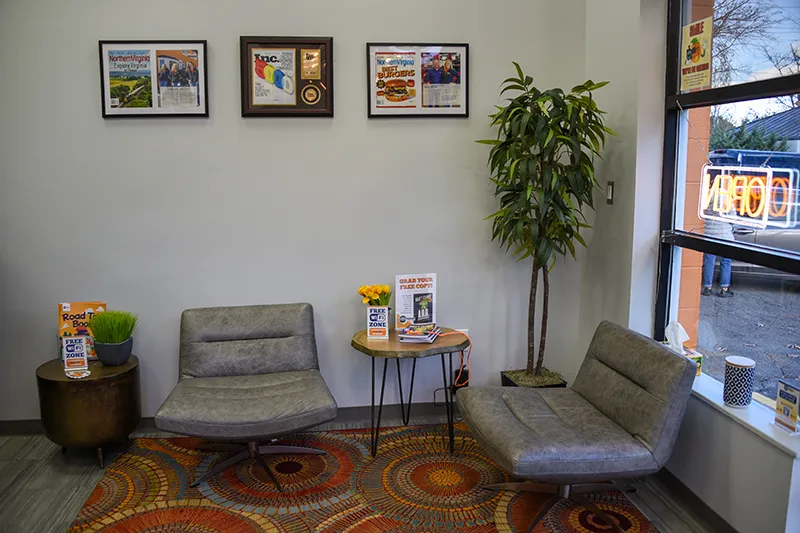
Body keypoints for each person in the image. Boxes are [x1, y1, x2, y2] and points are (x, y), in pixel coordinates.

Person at [701, 219, 735, 297]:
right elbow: (733, 219)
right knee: (725, 262)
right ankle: (724, 289)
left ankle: (707, 288)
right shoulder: (728, 206)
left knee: (709, 262)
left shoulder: (707, 205)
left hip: (709, 235)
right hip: (725, 236)